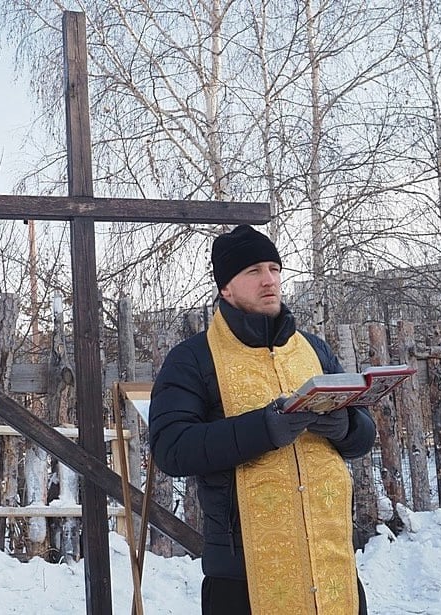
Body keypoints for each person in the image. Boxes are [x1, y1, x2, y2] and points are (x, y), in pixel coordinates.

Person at [149, 225, 376, 615]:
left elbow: (364, 432)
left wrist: (346, 427)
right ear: (226, 288)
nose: (269, 280)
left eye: (274, 268)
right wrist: (264, 429)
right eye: (253, 271)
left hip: (330, 564)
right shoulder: (193, 358)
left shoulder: (313, 349)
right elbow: (172, 448)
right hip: (242, 578)